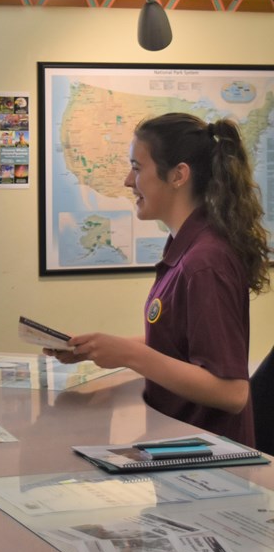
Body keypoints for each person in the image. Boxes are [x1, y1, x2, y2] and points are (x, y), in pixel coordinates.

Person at [45, 112, 271, 446]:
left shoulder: (206, 262)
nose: (126, 181)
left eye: (137, 168)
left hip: (211, 464)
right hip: (179, 446)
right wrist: (100, 347)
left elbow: (232, 392)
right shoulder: (186, 246)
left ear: (179, 175)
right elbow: (179, 346)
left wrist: (128, 356)